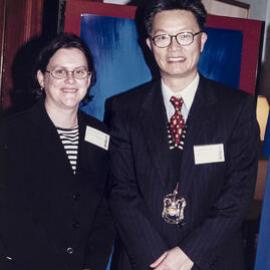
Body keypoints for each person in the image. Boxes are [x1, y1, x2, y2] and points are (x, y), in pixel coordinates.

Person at [105, 0, 259, 270]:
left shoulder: (237, 108)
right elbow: (121, 190)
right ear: (150, 44)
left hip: (213, 259)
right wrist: (158, 260)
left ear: (202, 41)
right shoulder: (123, 109)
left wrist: (187, 254)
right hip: (143, 260)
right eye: (163, 37)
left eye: (185, 36)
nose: (174, 47)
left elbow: (238, 194)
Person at [0, 33, 114, 270]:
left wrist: (92, 264)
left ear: (89, 78)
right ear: (42, 78)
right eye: (60, 71)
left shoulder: (101, 134)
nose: (70, 80)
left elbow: (104, 209)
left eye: (80, 72)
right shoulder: (10, 132)